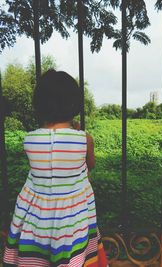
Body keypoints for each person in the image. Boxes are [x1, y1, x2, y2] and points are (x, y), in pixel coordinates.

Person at [3, 69, 108, 267]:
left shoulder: (30, 140)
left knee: (38, 257)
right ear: (74, 104)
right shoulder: (84, 139)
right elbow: (90, 165)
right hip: (72, 220)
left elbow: (41, 170)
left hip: (37, 217)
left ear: (39, 105)